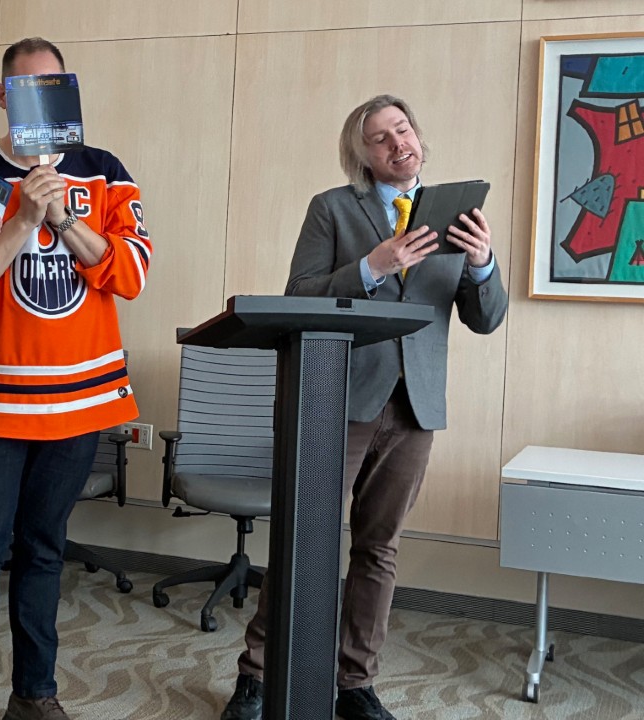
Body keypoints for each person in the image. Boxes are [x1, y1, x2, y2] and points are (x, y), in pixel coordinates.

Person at [219, 95, 508, 720]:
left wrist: (483, 265)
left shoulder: (456, 215)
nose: (396, 143)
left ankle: (356, 683)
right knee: (306, 539)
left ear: (418, 137)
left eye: (402, 129)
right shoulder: (332, 209)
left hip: (416, 407)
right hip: (336, 397)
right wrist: (372, 267)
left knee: (379, 549)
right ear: (364, 158)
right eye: (379, 138)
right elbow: (299, 293)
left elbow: (485, 319)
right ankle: (258, 675)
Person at [0, 37, 152, 720]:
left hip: (80, 400)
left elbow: (132, 275)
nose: (40, 98)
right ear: (3, 95)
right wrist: (22, 217)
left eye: (54, 85)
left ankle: (35, 692)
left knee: (44, 548)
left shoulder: (104, 171)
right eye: (26, 87)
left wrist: (62, 216)